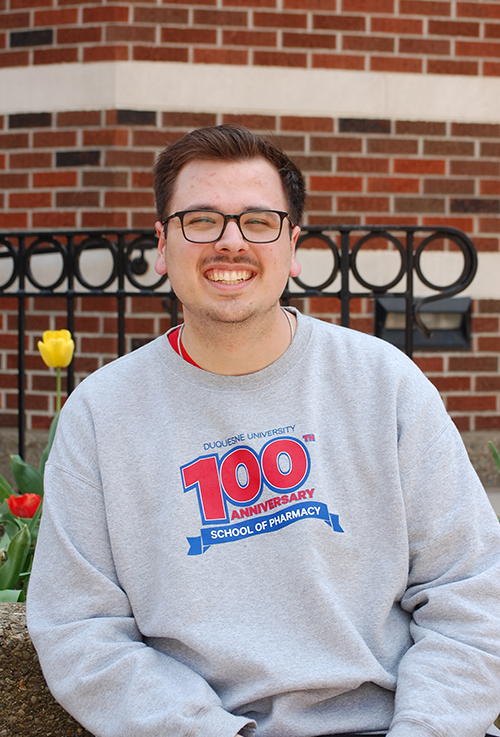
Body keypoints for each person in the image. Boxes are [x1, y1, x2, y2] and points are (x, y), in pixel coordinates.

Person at [27, 124, 500, 737]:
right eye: (200, 220)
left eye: (258, 221)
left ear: (292, 244)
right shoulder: (100, 412)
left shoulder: (384, 383)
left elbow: (472, 589)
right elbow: (78, 630)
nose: (230, 243)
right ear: (162, 244)